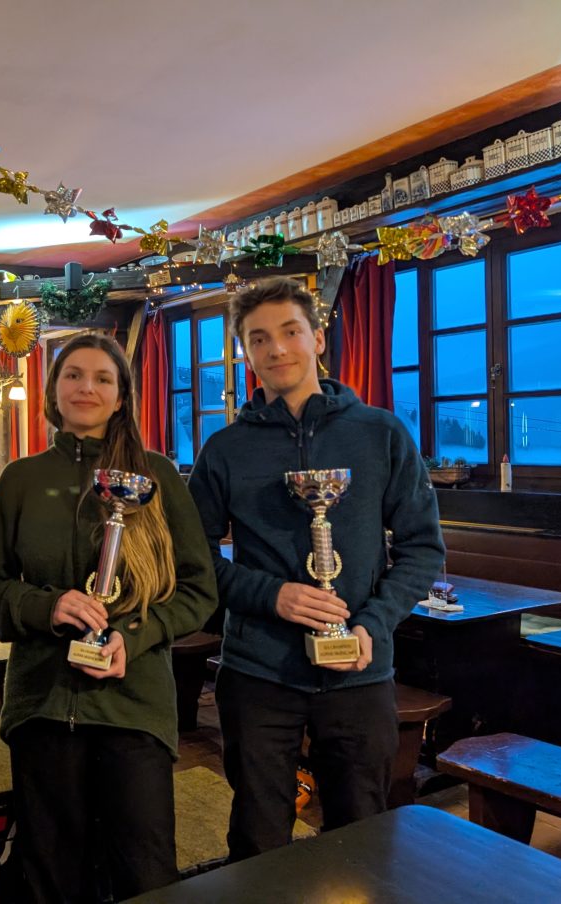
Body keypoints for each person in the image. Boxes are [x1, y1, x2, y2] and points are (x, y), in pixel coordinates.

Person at [187, 277, 444, 861]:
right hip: (258, 672)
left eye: (290, 332)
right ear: (246, 353)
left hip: (359, 672)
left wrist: (372, 624)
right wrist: (270, 595)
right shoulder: (224, 449)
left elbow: (423, 548)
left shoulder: (380, 433)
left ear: (317, 338)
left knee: (362, 834)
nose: (276, 349)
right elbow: (192, 560)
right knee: (258, 838)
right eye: (259, 339)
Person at [0, 333, 218, 902]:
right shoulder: (21, 479)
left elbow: (199, 590)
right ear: (53, 391)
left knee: (145, 874)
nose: (87, 387)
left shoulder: (157, 476)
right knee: (52, 877)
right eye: (73, 375)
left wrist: (134, 635)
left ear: (122, 396)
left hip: (135, 706)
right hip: (43, 703)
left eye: (103, 378)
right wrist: (47, 606)